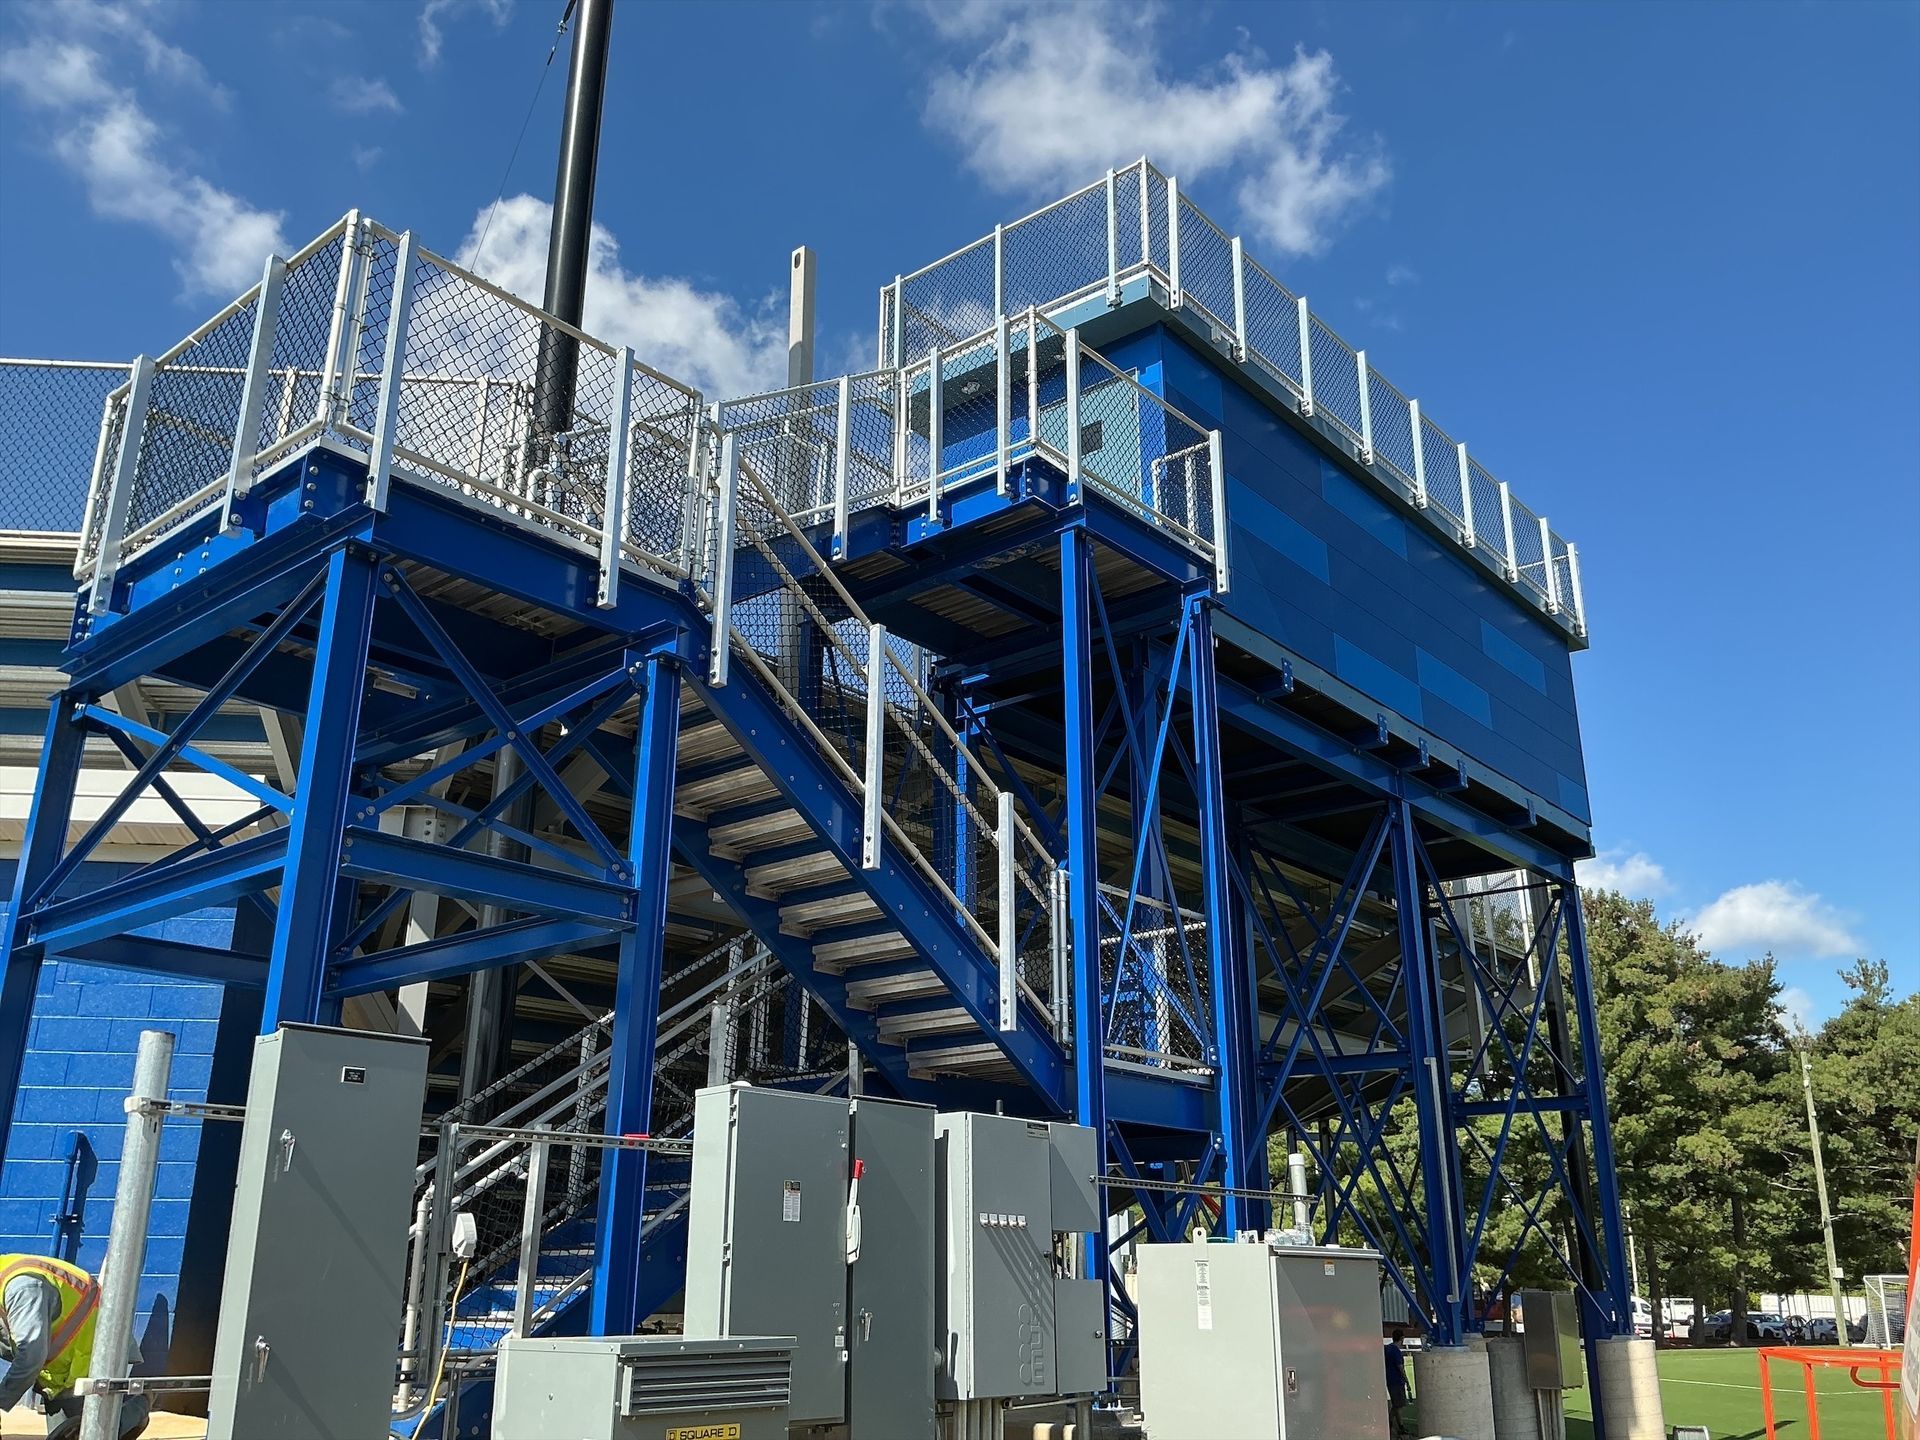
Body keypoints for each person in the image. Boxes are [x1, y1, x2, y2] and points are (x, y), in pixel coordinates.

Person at [0, 1253, 149, 1439]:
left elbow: (31, 1357)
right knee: (67, 1433)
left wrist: (2, 1399)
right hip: (59, 1369)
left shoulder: (22, 1288)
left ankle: (137, 1408)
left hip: (94, 1353)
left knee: (87, 1434)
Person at [1384, 1327, 1410, 1422]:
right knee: (1398, 1405)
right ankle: (1389, 1423)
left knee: (1396, 1404)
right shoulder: (1396, 1351)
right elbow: (1400, 1367)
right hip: (1397, 1381)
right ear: (1402, 1338)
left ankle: (1400, 1426)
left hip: (1389, 1380)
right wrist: (1407, 1380)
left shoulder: (1388, 1348)